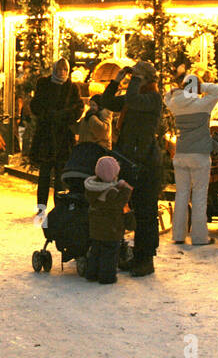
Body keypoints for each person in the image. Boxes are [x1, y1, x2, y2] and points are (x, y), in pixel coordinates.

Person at [91, 61, 165, 276]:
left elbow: (133, 100)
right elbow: (106, 101)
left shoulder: (152, 97)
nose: (134, 80)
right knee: (133, 209)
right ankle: (137, 256)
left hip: (146, 163)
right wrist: (116, 81)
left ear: (147, 79)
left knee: (146, 212)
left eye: (138, 76)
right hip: (130, 159)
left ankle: (146, 259)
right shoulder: (135, 98)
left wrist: (134, 79)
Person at [165, 73, 218, 246]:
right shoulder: (203, 104)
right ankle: (199, 237)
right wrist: (201, 87)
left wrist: (179, 89)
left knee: (181, 194)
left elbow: (166, 96)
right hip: (200, 155)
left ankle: (178, 235)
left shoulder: (176, 104)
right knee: (199, 195)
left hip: (181, 153)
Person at [29, 58, 83, 215]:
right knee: (45, 174)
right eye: (59, 70)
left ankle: (59, 207)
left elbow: (78, 108)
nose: (62, 73)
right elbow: (35, 105)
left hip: (63, 137)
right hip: (46, 135)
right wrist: (47, 115)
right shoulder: (44, 84)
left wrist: (64, 116)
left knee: (60, 175)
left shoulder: (72, 88)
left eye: (64, 70)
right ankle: (41, 207)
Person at [85, 156, 134, 284]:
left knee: (96, 251)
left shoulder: (92, 188)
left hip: (96, 228)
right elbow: (119, 202)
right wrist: (126, 189)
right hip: (111, 229)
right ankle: (107, 276)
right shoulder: (112, 192)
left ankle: (92, 273)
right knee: (109, 253)